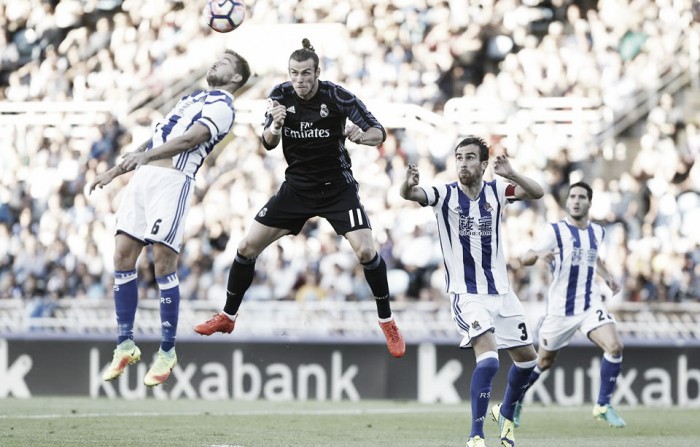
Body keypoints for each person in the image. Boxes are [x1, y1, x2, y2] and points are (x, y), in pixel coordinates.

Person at [193, 38, 405, 358]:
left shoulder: (337, 95)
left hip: (337, 188)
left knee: (365, 250)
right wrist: (276, 126)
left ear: (318, 72)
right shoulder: (280, 95)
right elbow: (267, 141)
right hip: (296, 189)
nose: (300, 80)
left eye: (306, 73)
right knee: (246, 247)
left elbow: (378, 132)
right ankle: (228, 316)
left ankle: (387, 321)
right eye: (295, 73)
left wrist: (362, 137)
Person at [88, 50, 252, 387]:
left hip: (173, 180)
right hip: (145, 178)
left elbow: (190, 140)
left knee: (162, 263)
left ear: (236, 78)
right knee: (121, 255)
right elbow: (162, 134)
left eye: (223, 63)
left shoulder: (223, 106)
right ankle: (125, 344)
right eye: (215, 59)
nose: (214, 63)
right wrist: (119, 168)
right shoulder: (192, 97)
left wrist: (145, 156)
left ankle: (166, 351)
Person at [400, 136, 543, 447]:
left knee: (530, 363)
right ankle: (475, 436)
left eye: (469, 158)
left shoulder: (496, 191)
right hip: (468, 295)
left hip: (503, 293)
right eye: (459, 158)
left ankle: (505, 411)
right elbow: (411, 194)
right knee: (490, 361)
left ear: (482, 164)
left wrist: (513, 174)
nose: (463, 163)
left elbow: (537, 192)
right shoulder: (444, 194)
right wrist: (407, 184)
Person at [515, 181, 626, 427]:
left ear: (589, 202)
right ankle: (515, 399)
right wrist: (538, 255)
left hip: (589, 304)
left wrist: (607, 278)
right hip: (560, 311)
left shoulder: (598, 232)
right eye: (572, 196)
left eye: (581, 197)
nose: (576, 201)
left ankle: (602, 405)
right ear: (567, 202)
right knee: (543, 362)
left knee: (615, 346)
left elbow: (592, 256)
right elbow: (524, 258)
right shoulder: (554, 231)